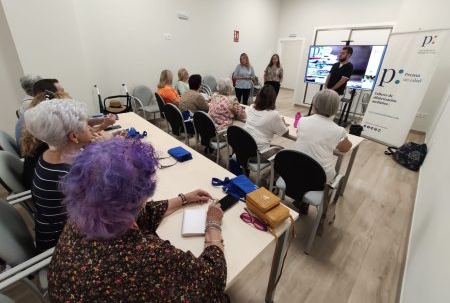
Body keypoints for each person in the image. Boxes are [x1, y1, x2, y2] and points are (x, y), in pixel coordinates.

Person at [48, 138, 227, 302]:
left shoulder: (81, 218)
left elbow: (139, 214)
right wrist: (213, 226)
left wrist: (183, 199)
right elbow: (212, 279)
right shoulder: (145, 256)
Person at [24, 99, 95, 252]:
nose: (89, 127)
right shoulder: (67, 175)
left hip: (54, 232)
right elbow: (104, 211)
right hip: (65, 246)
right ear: (74, 136)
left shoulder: (48, 154)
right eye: (86, 124)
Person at [295, 89, 352, 183]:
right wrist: (332, 144)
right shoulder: (339, 130)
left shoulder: (302, 120)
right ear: (335, 108)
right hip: (321, 176)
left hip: (297, 168)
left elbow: (299, 134)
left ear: (314, 104)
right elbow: (345, 148)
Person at [245, 85, 288, 152]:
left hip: (245, 145)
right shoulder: (274, 114)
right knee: (283, 150)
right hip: (258, 152)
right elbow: (285, 133)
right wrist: (283, 123)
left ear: (258, 96)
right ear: (273, 99)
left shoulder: (251, 107)